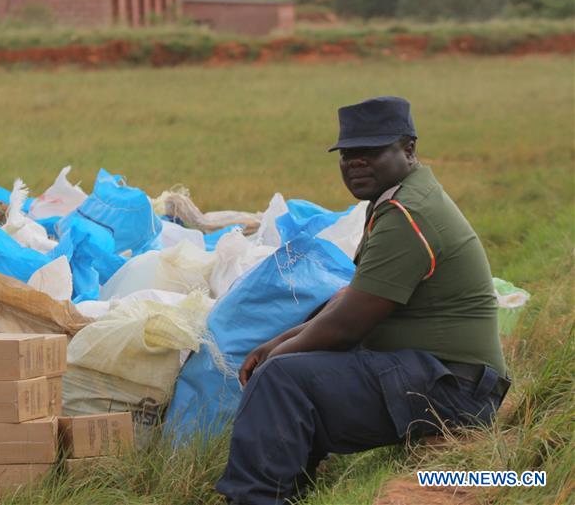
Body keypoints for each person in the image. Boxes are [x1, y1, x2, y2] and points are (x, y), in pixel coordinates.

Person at [216, 96, 509, 505]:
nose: (355, 163)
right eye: (348, 154)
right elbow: (351, 297)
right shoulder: (398, 200)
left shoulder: (410, 214)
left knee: (281, 380)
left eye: (371, 152)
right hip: (435, 374)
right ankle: (290, 491)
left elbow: (347, 327)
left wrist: (276, 357)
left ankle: (255, 499)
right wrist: (278, 342)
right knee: (291, 368)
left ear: (408, 150)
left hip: (455, 389)